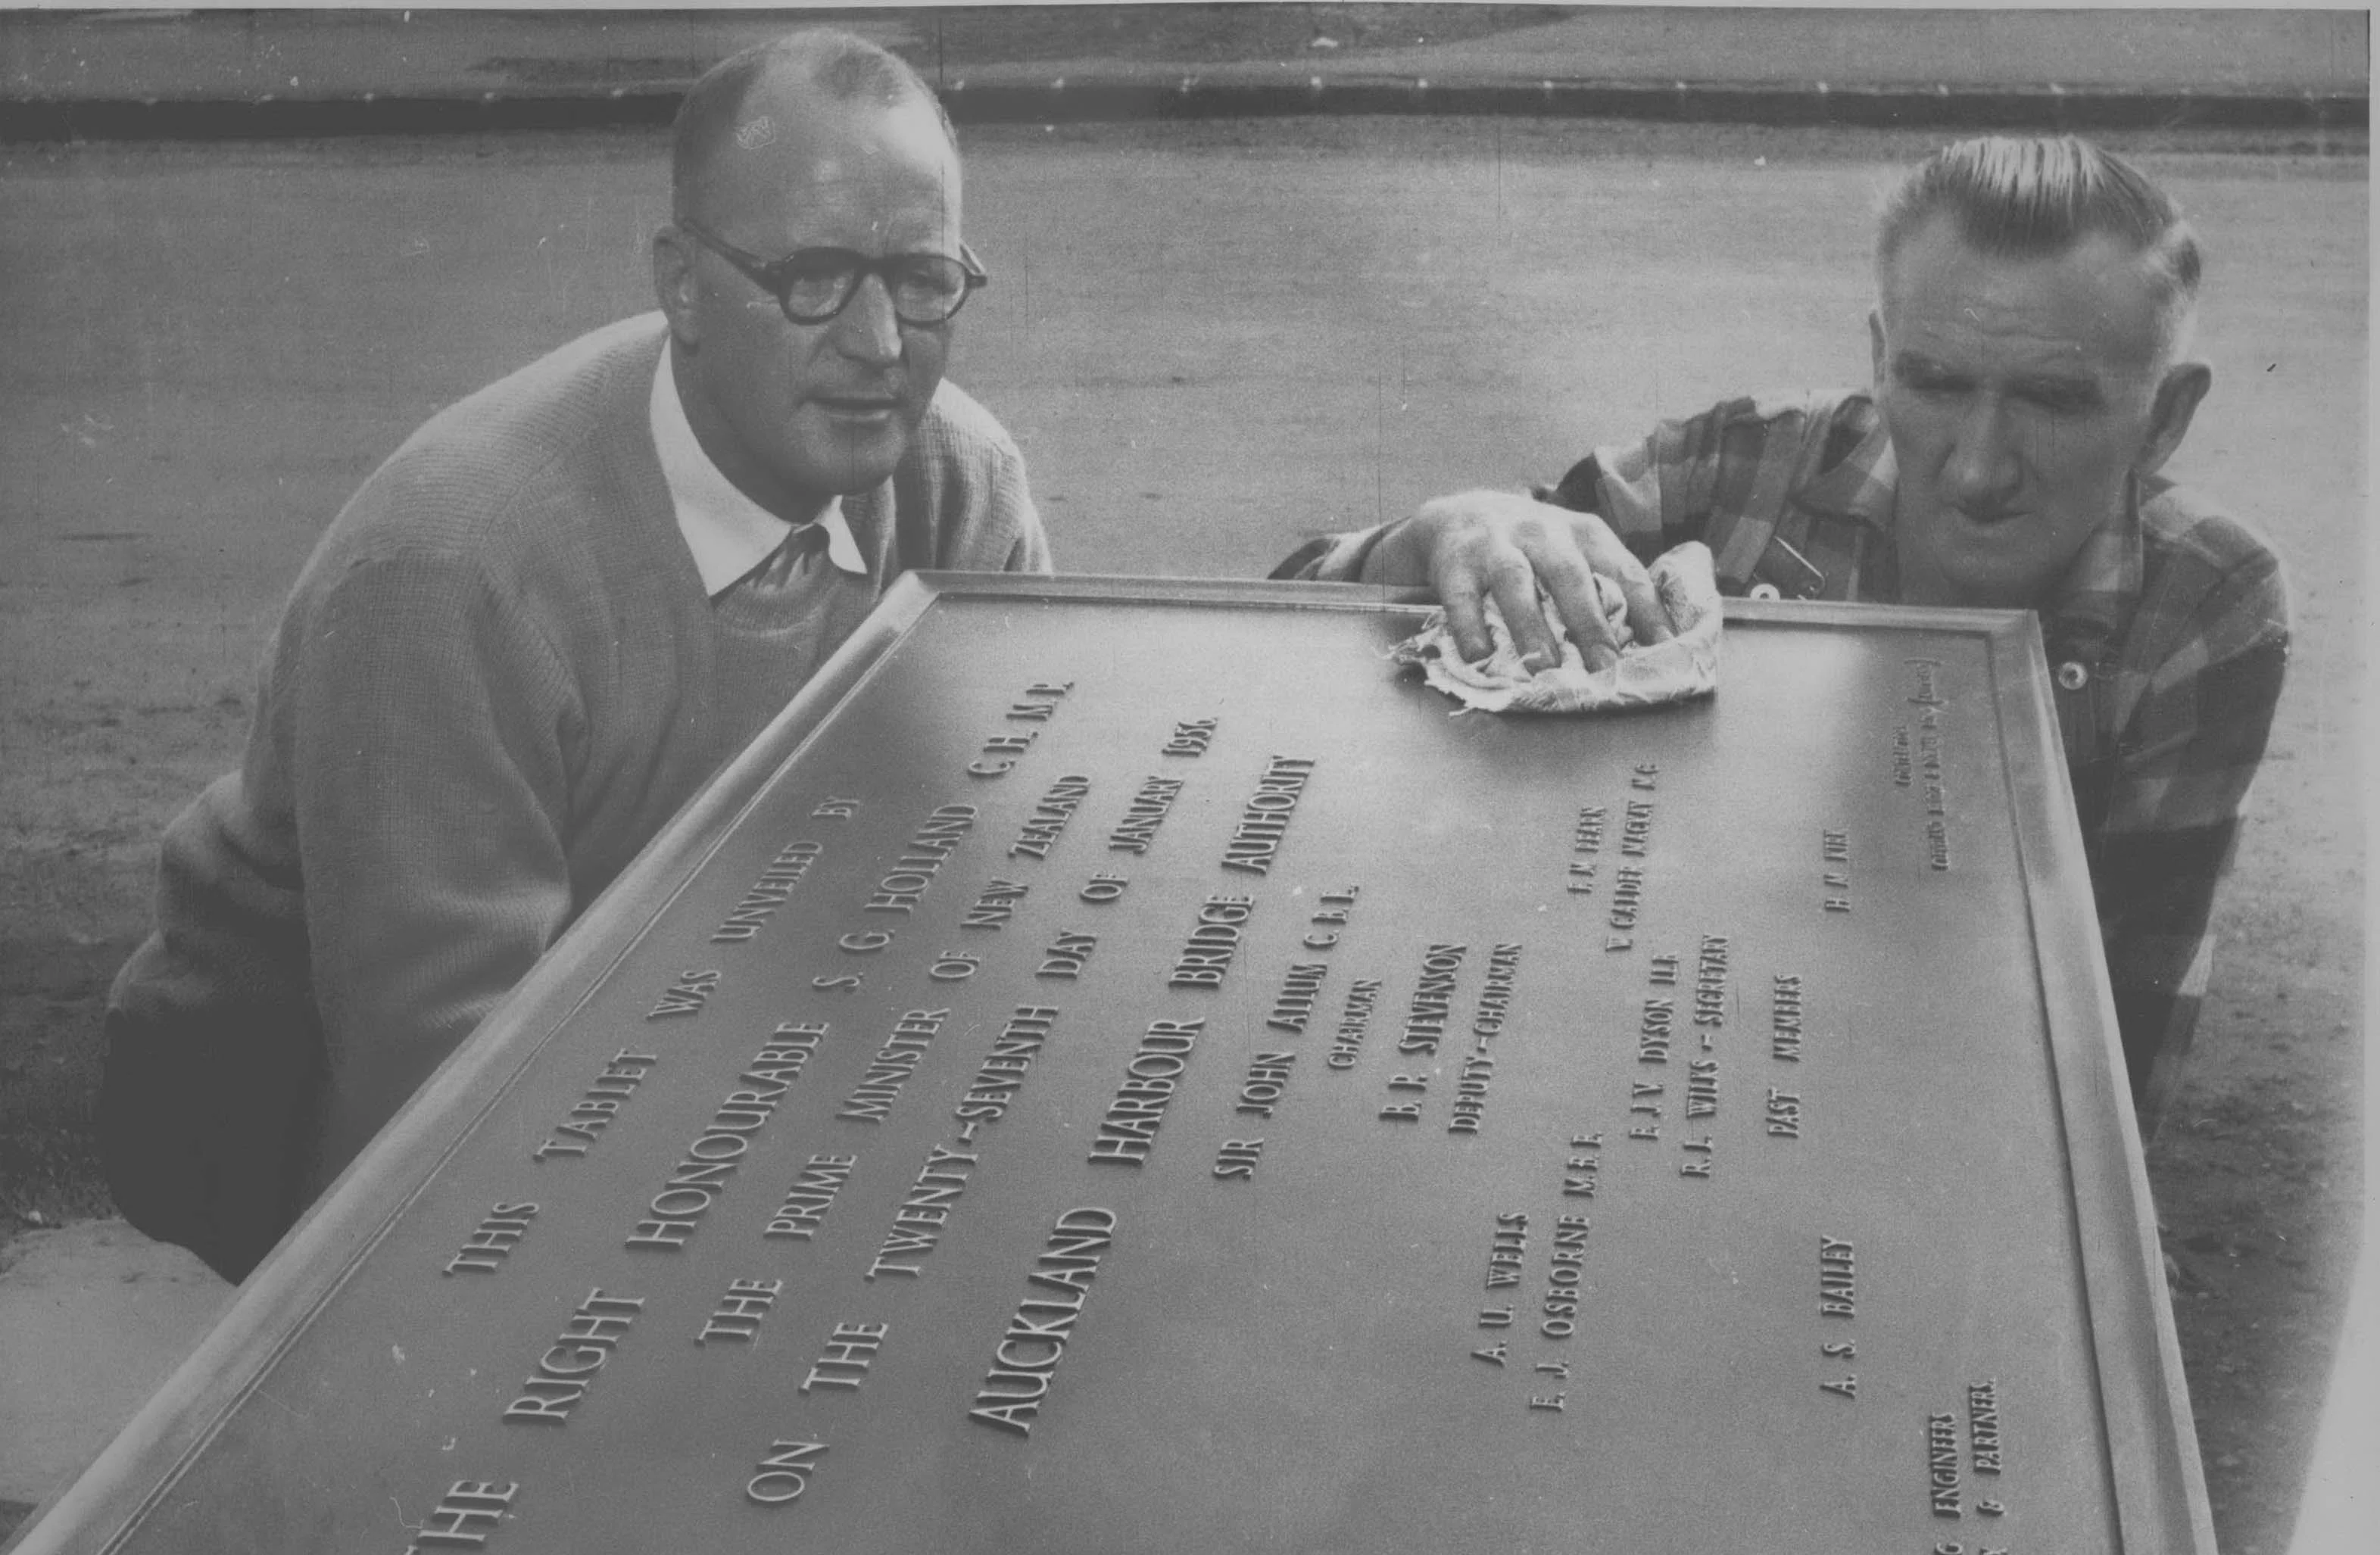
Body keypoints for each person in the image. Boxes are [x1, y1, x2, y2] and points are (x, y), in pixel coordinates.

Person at [104, 29, 1049, 1281]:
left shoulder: (957, 483)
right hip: (288, 1074)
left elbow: (1017, 861)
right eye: (815, 277)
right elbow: (430, 1105)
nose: (881, 343)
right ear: (683, 284)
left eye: (923, 277)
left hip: (671, 1007)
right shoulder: (453, 574)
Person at [1275, 136, 2289, 1137]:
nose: (1977, 470)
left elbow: (2110, 1055)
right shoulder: (1732, 466)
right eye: (1934, 384)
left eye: (2051, 400)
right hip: (1624, 1064)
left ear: (2164, 418)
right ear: (1878, 359)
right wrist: (1434, 532)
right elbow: (1290, 617)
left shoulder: (2204, 603)